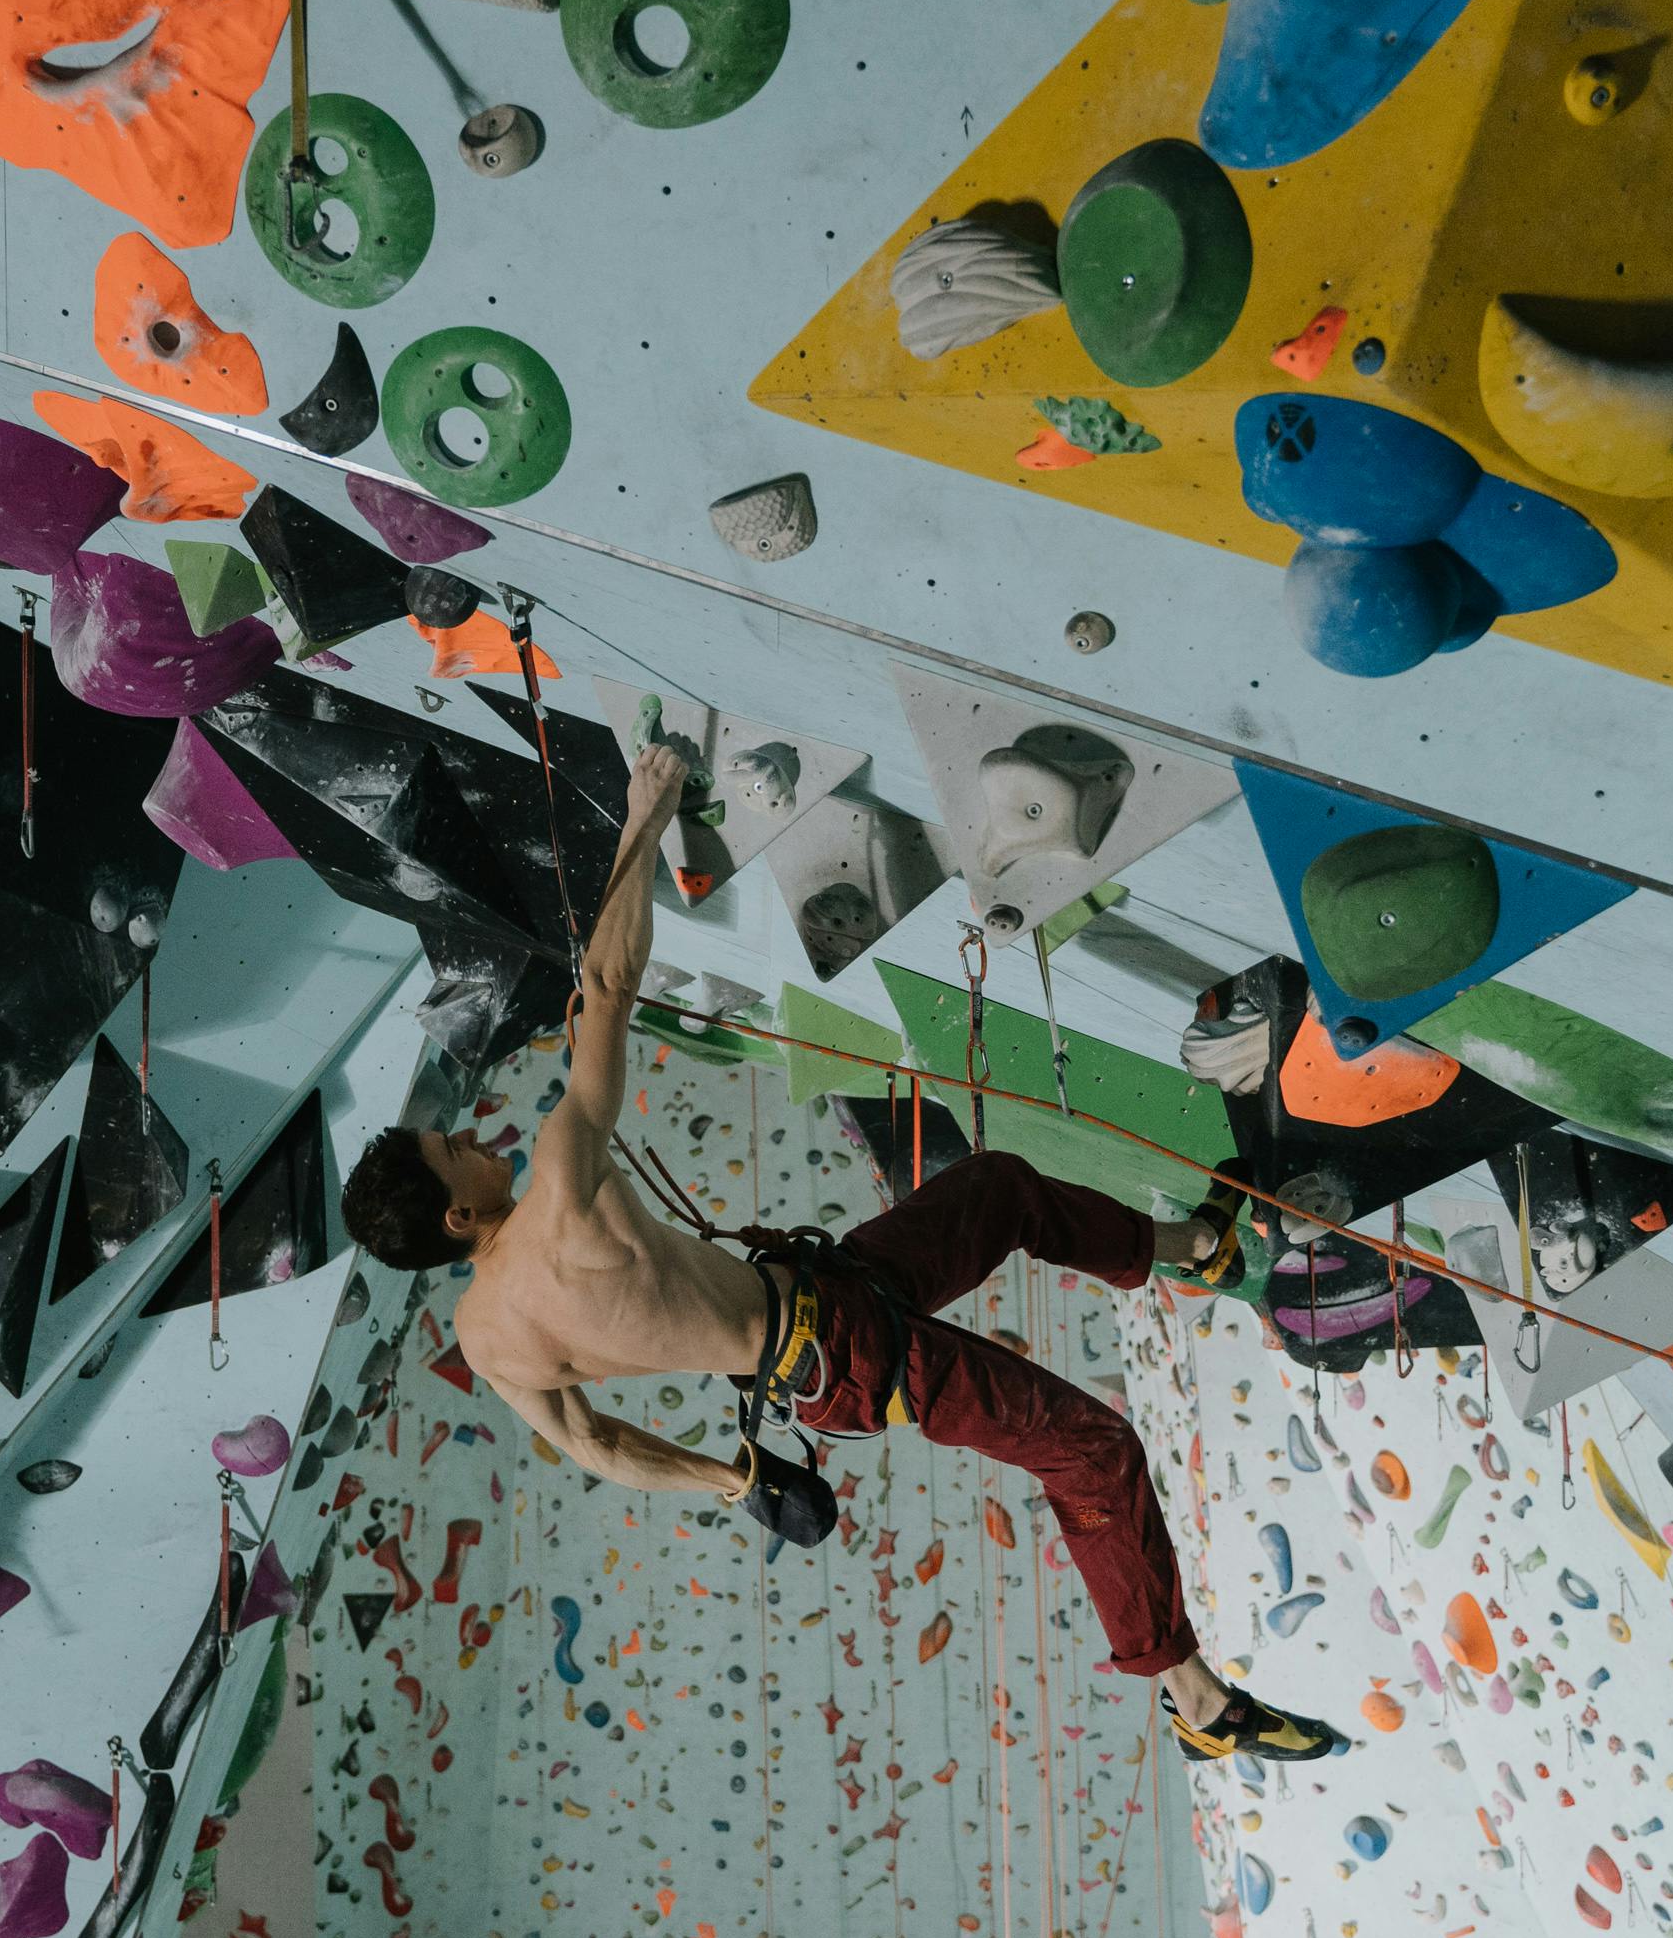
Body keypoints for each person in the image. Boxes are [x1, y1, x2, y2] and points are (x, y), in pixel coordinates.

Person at [341, 740, 1344, 1764]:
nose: (469, 1139)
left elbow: (598, 1446)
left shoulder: (486, 1339)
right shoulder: (554, 1183)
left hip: (823, 1316)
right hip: (850, 1353)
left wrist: (733, 1482)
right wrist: (644, 814)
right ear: (456, 1216)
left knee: (995, 1189)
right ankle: (1194, 1697)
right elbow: (604, 978)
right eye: (450, 1152)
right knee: (1089, 1448)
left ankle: (1194, 1249)